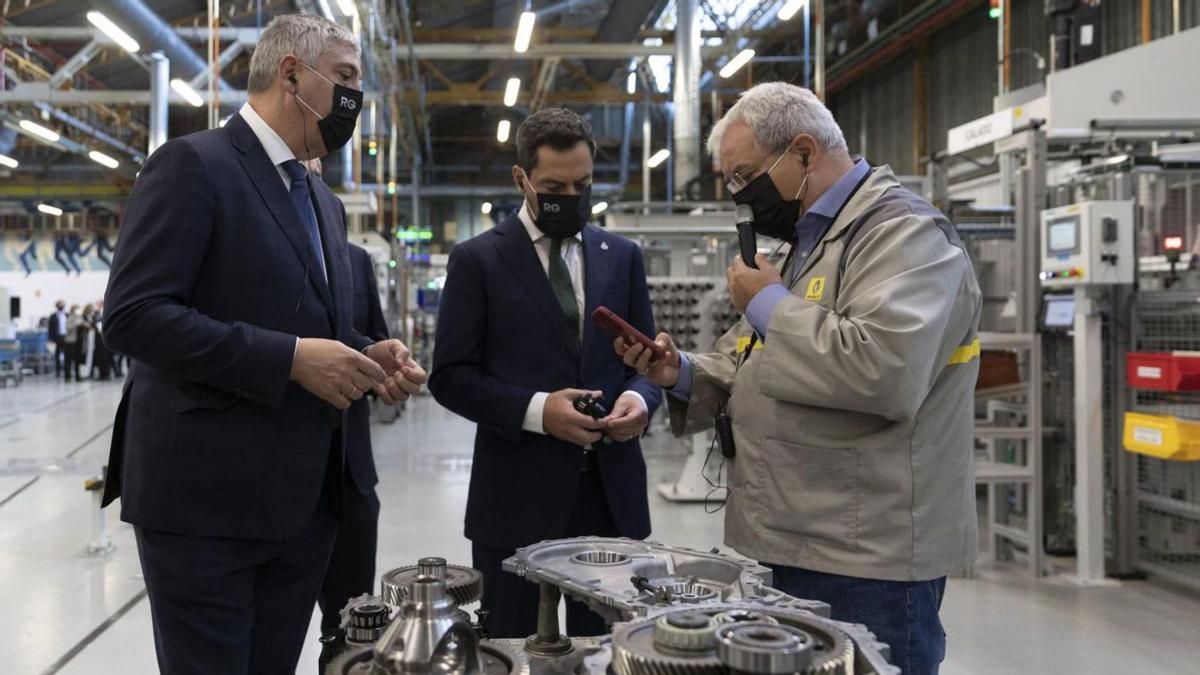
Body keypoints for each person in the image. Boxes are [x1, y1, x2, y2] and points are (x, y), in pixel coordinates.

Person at [99, 14, 427, 675]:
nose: (355, 100)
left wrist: (368, 352)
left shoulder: (322, 201)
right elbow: (134, 315)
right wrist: (291, 360)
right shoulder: (193, 167)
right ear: (290, 76)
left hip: (304, 506)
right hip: (205, 507)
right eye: (344, 79)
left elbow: (309, 320)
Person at [617, 82, 981, 675]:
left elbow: (883, 371)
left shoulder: (906, 235)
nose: (741, 199)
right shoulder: (802, 247)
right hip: (784, 539)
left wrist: (767, 304)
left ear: (805, 153)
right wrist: (677, 371)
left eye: (744, 178)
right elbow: (750, 364)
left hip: (866, 558)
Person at [429, 108, 662, 639]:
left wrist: (643, 401)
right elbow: (450, 376)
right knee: (510, 648)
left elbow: (649, 364)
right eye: (555, 185)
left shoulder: (622, 257)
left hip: (610, 499)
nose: (571, 197)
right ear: (522, 179)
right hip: (514, 500)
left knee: (603, 651)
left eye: (582, 184)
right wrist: (538, 411)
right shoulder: (478, 261)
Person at [317, 243, 389, 669]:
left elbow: (371, 336)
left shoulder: (354, 258)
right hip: (267, 477)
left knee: (352, 634)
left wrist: (387, 366)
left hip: (350, 475)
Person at [47, 300, 67, 377]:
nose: (61, 306)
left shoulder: (66, 315)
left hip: (65, 337)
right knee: (57, 355)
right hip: (57, 337)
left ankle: (66, 370)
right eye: (60, 304)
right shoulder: (53, 316)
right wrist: (50, 338)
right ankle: (57, 371)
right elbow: (50, 328)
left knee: (66, 355)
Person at [63, 304, 83, 382]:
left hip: (78, 342)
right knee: (68, 360)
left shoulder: (79, 317)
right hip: (70, 342)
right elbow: (67, 328)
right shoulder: (70, 318)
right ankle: (67, 376)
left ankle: (78, 376)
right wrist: (76, 324)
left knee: (77, 360)